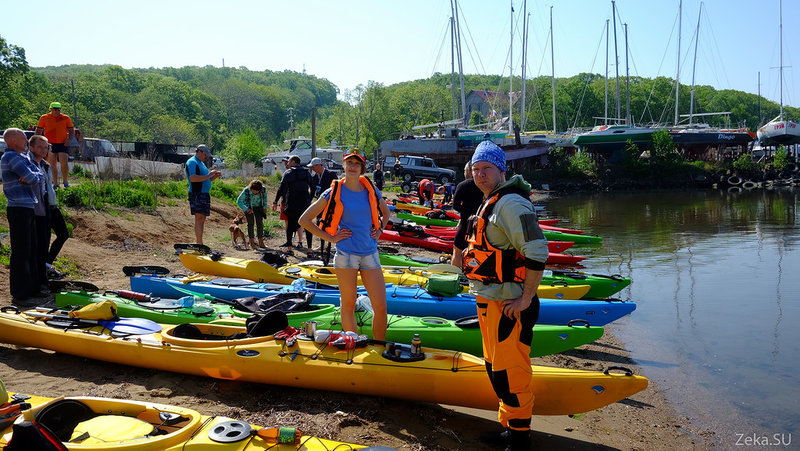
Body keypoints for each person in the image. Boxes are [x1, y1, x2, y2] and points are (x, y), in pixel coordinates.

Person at [461, 140, 548, 451]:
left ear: (501, 170)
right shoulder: (491, 201)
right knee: (495, 369)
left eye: (487, 168)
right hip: (490, 300)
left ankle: (521, 439)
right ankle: (510, 427)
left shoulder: (511, 204)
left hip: (510, 304)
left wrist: (525, 299)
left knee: (511, 374)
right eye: (476, 169)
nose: (481, 174)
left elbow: (537, 251)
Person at [298, 152, 391, 340]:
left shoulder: (370, 188)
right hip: (346, 255)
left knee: (381, 306)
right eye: (350, 163)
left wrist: (379, 230)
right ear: (344, 165)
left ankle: (379, 347)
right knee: (348, 305)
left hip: (370, 253)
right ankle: (354, 345)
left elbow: (386, 212)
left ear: (362, 168)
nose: (353, 166)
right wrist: (330, 238)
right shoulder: (333, 191)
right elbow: (304, 220)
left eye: (357, 163)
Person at [1, 129, 46, 306]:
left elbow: (38, 174)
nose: (26, 140)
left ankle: (32, 289)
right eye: (22, 137)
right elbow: (33, 178)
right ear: (12, 140)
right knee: (21, 253)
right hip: (18, 208)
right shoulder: (11, 157)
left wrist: (31, 176)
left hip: (27, 207)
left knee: (30, 250)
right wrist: (31, 176)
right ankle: (20, 295)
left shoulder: (22, 158)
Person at [27, 135, 53, 288]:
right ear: (31, 148)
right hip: (33, 211)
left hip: (45, 208)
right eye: (40, 147)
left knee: (43, 245)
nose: (44, 150)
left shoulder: (45, 165)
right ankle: (35, 282)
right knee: (35, 248)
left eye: (46, 147)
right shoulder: (28, 163)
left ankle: (42, 280)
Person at [272, 155, 313, 251]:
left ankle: (290, 248)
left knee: (290, 225)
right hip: (304, 203)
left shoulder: (288, 173)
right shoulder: (307, 173)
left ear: (294, 162)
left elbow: (281, 189)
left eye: (289, 161)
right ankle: (310, 249)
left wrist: (275, 201)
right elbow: (313, 187)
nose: (288, 163)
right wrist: (309, 199)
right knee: (308, 225)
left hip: (292, 202)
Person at [185, 144, 221, 245]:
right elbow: (193, 178)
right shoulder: (192, 162)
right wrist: (209, 175)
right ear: (199, 152)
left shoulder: (201, 163)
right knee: (199, 219)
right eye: (205, 154)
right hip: (197, 194)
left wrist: (214, 176)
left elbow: (206, 179)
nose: (206, 157)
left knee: (202, 219)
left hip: (204, 194)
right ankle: (199, 244)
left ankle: (200, 243)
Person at [451, 161, 483, 267]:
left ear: (469, 170)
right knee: (477, 253)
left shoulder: (463, 185)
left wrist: (465, 211)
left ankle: (455, 277)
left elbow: (455, 205)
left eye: (465, 170)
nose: (464, 173)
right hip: (481, 225)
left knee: (457, 251)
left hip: (466, 224)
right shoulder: (486, 185)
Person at [34, 102, 74, 188]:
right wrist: (38, 140)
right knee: (52, 163)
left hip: (63, 143)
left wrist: (69, 140)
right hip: (49, 143)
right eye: (55, 109)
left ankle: (65, 181)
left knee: (64, 161)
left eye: (59, 109)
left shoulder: (65, 118)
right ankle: (55, 183)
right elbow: (39, 129)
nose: (57, 111)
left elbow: (71, 130)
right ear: (51, 109)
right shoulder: (44, 117)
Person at [308, 157, 338, 252]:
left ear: (318, 165)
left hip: (331, 204)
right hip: (320, 204)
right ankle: (323, 245)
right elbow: (312, 190)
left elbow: (337, 189)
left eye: (313, 167)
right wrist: (309, 201)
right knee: (320, 223)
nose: (312, 169)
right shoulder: (314, 177)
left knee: (333, 223)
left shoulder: (331, 174)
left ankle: (336, 244)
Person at [236, 179, 269, 249]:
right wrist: (246, 209)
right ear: (251, 188)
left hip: (259, 207)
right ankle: (252, 242)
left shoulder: (263, 189)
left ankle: (261, 242)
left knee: (260, 223)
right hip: (248, 207)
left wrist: (265, 207)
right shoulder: (246, 190)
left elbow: (265, 198)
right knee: (251, 223)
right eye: (254, 191)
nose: (256, 192)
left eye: (258, 191)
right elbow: (239, 201)